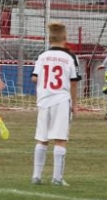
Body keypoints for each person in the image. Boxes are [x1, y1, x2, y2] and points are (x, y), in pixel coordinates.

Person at [30, 21, 81, 185]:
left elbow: (34, 78)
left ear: (49, 39)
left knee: (42, 139)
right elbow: (74, 82)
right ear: (65, 38)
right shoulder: (70, 57)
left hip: (44, 100)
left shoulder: (42, 56)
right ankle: (57, 178)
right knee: (60, 139)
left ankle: (36, 176)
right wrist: (74, 104)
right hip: (61, 100)